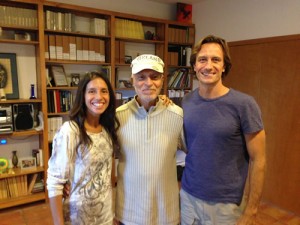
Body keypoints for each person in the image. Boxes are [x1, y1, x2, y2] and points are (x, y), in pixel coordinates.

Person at [180, 35, 266, 225]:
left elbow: (258, 159)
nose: (208, 66)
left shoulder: (244, 104)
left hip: (226, 205)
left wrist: (251, 210)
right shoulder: (186, 102)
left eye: (216, 60)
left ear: (224, 66)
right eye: (202, 60)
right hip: (188, 198)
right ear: (194, 66)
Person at [115, 54, 185, 225]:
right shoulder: (118, 116)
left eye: (154, 77)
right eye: (141, 77)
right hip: (128, 211)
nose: (148, 83)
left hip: (166, 212)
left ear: (162, 80)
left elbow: (192, 153)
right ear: (132, 80)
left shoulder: (177, 115)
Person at [47, 71, 120, 225]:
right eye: (92, 91)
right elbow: (54, 182)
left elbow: (108, 176)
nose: (99, 97)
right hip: (76, 218)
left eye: (104, 91)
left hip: (104, 216)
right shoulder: (70, 130)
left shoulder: (107, 129)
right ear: (83, 96)